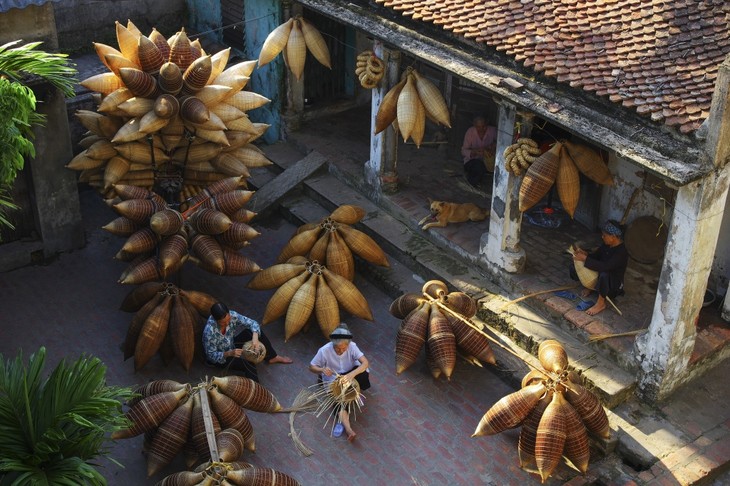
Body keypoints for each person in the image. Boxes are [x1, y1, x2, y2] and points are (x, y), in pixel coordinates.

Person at [309, 324, 370, 442]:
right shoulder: (324, 350)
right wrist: (321, 370)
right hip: (333, 377)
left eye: (344, 348)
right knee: (340, 401)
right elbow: (311, 367)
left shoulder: (352, 346)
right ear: (332, 344)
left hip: (350, 372)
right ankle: (348, 429)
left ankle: (355, 395)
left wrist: (351, 375)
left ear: (348, 344)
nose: (341, 351)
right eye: (338, 348)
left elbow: (365, 363)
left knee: (363, 374)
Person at [203, 302, 292, 382]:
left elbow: (253, 323)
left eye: (228, 320)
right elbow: (211, 356)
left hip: (231, 344)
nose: (227, 324)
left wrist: (255, 338)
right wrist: (229, 353)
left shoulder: (232, 315)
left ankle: (272, 357)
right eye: (223, 323)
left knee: (254, 332)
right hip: (222, 357)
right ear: (215, 320)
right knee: (249, 365)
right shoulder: (209, 332)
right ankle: (258, 393)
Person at [571, 220, 629, 316]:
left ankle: (601, 303)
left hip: (613, 285)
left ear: (613, 237)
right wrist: (585, 254)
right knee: (575, 266)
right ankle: (592, 287)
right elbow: (596, 257)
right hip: (601, 275)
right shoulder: (606, 245)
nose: (602, 237)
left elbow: (606, 267)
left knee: (604, 274)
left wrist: (585, 259)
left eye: (604, 235)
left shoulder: (621, 252)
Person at [461, 115, 497, 188]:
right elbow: (463, 151)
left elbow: (501, 141)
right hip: (471, 161)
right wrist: (475, 152)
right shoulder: (470, 132)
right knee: (478, 166)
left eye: (483, 126)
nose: (481, 129)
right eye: (478, 127)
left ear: (486, 124)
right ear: (474, 125)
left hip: (488, 162)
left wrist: (492, 146)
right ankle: (472, 184)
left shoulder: (492, 130)